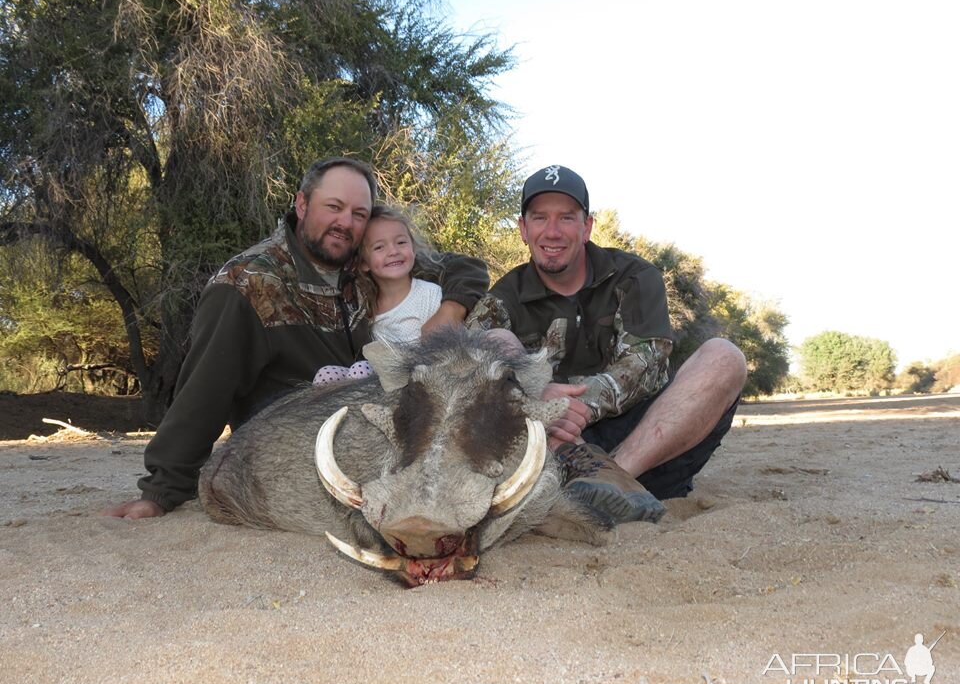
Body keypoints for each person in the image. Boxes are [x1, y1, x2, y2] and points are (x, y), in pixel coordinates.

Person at [105, 157, 488, 519]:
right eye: (333, 207)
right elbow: (204, 388)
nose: (345, 223)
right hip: (294, 448)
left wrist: (450, 310)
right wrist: (161, 491)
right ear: (302, 204)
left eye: (359, 214)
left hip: (377, 437)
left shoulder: (363, 262)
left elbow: (462, 266)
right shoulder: (247, 284)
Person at [466, 164, 747, 524]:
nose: (552, 231)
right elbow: (467, 368)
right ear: (523, 229)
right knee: (493, 343)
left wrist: (569, 403)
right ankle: (583, 489)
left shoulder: (636, 276)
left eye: (567, 218)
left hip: (646, 447)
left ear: (587, 227)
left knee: (724, 356)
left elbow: (646, 362)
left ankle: (615, 482)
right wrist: (535, 398)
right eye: (540, 218)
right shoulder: (502, 298)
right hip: (550, 451)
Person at [312, 205, 441, 385]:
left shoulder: (428, 294)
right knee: (325, 374)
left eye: (401, 242)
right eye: (379, 247)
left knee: (360, 371)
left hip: (416, 380)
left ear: (413, 249)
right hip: (376, 378)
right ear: (364, 263)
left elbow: (440, 349)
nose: (393, 251)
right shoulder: (365, 306)